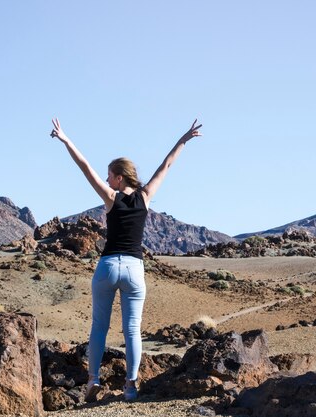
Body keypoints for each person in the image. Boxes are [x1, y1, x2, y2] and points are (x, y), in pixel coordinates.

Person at [49, 117, 202, 401]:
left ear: (119, 177)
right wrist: (183, 139)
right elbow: (166, 165)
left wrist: (66, 140)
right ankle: (130, 386)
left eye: (110, 175)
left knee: (99, 327)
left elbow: (85, 168)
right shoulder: (145, 197)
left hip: (107, 266)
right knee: (132, 330)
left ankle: (93, 380)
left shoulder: (111, 198)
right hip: (134, 269)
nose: (107, 180)